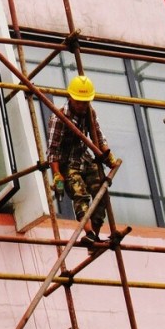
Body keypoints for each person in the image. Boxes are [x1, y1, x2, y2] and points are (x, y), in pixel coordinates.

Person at [47, 75, 119, 247]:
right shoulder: (58, 118)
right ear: (70, 98)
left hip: (84, 158)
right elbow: (53, 151)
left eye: (85, 102)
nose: (82, 106)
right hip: (68, 164)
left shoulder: (89, 112)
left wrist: (108, 155)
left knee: (101, 190)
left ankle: (94, 236)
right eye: (78, 102)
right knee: (80, 194)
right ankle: (88, 232)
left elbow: (99, 137)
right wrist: (57, 175)